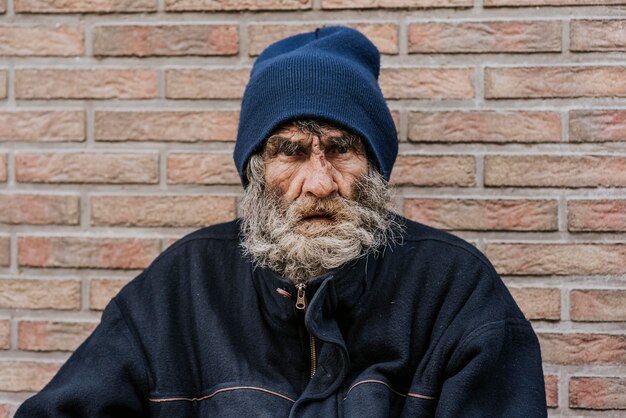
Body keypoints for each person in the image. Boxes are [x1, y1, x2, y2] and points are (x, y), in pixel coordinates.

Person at [16, 26, 547, 417]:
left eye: (341, 151)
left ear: (376, 169)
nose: (318, 183)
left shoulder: (454, 292)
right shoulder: (180, 288)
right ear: (255, 171)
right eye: (289, 152)